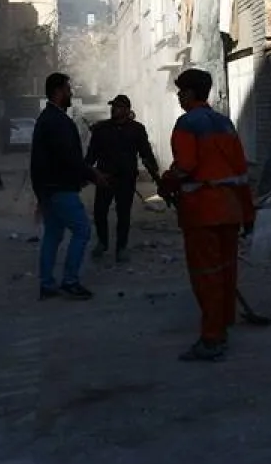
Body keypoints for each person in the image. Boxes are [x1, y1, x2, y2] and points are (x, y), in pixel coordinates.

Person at [159, 67, 255, 363]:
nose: (178, 96)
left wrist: (166, 181)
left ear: (190, 93)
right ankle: (225, 320)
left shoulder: (187, 124)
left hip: (202, 211)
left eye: (180, 91)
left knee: (206, 275)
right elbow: (240, 171)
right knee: (226, 270)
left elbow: (185, 166)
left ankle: (212, 339)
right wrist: (247, 213)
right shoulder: (224, 124)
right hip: (230, 210)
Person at [31, 72, 107, 300]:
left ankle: (47, 284)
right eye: (68, 89)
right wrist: (93, 175)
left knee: (53, 234)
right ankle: (70, 281)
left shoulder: (47, 119)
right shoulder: (57, 122)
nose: (71, 93)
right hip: (60, 189)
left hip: (50, 189)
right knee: (82, 231)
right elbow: (69, 158)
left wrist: (41, 194)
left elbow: (42, 160)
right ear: (58, 91)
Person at [85, 94, 161, 264]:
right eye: (113, 106)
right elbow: (91, 155)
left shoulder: (137, 129)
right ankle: (102, 243)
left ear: (127, 110)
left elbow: (146, 154)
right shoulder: (102, 129)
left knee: (123, 214)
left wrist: (155, 174)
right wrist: (87, 173)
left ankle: (121, 248)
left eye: (118, 106)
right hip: (105, 177)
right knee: (99, 212)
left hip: (126, 179)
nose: (114, 109)